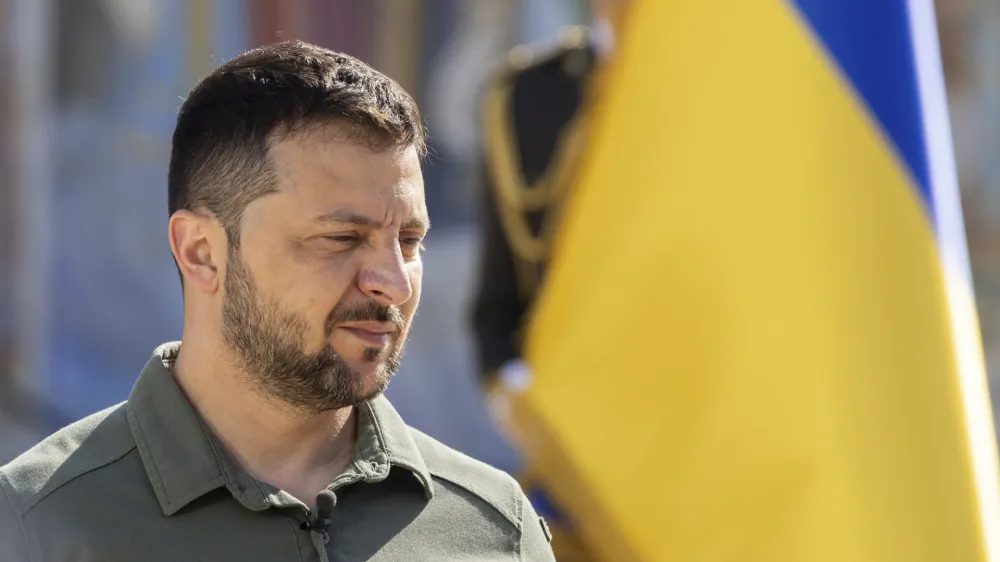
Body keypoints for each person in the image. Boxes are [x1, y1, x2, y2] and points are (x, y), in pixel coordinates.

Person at [0, 41, 556, 561]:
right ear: (201, 252)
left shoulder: (496, 530)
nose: (395, 283)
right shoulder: (33, 524)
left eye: (409, 242)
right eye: (342, 238)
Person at [470, 1, 629, 560]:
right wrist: (522, 396)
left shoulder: (739, 87)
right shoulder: (530, 93)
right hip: (574, 454)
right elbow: (498, 305)